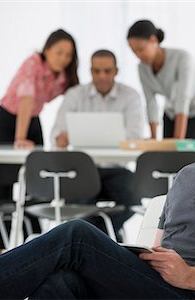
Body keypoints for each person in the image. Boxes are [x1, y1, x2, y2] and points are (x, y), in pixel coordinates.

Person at [0, 65, 195, 299]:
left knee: (75, 236)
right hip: (157, 287)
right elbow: (160, 250)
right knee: (62, 284)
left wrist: (189, 275)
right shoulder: (187, 176)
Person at [0, 29, 79, 258]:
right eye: (59, 52)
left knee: (37, 181)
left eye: (68, 55)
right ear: (47, 49)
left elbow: (74, 99)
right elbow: (26, 101)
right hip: (10, 119)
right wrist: (19, 138)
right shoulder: (33, 63)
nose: (64, 58)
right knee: (4, 187)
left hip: (33, 120)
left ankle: (35, 244)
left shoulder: (63, 76)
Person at [51, 49, 145, 238]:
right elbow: (56, 136)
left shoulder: (130, 96)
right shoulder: (75, 95)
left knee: (133, 198)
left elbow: (135, 137)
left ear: (116, 71)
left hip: (116, 170)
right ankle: (104, 237)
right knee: (77, 205)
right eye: (96, 71)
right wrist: (61, 139)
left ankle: (91, 237)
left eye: (107, 71)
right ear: (90, 71)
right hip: (82, 170)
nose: (102, 76)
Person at [127, 19, 195, 139]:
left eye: (141, 49)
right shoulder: (142, 68)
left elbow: (182, 98)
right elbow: (151, 102)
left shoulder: (182, 58)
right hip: (171, 112)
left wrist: (178, 142)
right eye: (134, 51)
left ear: (153, 40)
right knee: (167, 155)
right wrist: (153, 138)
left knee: (188, 153)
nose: (138, 55)